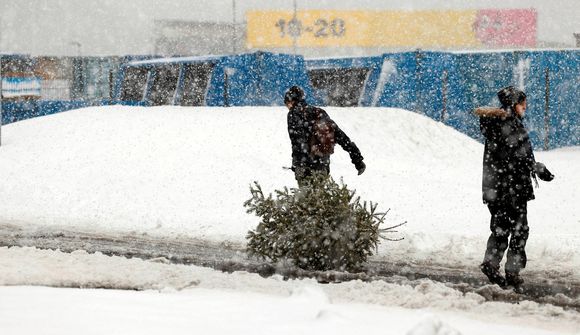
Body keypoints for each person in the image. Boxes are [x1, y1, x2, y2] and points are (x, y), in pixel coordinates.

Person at [475, 86, 554, 291]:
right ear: (513, 104)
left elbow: (514, 155)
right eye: (522, 104)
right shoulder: (508, 125)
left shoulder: (500, 123)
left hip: (497, 187)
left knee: (502, 228)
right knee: (519, 230)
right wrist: (538, 169)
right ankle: (511, 272)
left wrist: (533, 167)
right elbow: (519, 156)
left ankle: (493, 265)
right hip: (511, 188)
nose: (525, 108)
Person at [284, 86, 366, 187]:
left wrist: (297, 164)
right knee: (320, 199)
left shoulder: (293, 114)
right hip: (323, 165)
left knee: (306, 200)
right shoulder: (318, 112)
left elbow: (298, 142)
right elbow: (340, 136)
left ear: (291, 101)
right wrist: (357, 158)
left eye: (286, 103)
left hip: (305, 167)